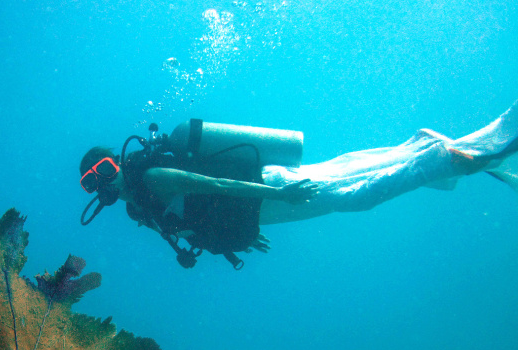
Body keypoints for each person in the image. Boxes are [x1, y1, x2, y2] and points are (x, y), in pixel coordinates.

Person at [79, 101, 518, 269]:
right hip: (263, 206)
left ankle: (449, 160)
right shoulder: (143, 207)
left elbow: (208, 183)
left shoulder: (151, 177)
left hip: (268, 193)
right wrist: (236, 244)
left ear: (116, 161)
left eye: (101, 170)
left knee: (351, 197)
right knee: (341, 171)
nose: (101, 183)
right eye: (90, 183)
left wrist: (277, 195)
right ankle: (419, 148)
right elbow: (195, 219)